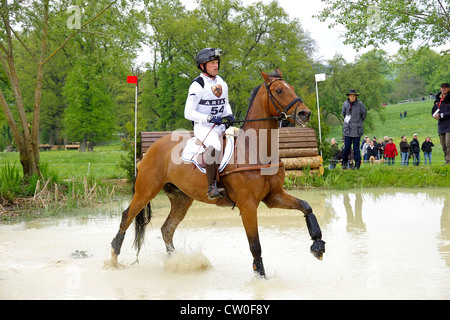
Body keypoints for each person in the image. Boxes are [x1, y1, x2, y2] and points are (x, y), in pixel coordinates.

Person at [184, 48, 235, 199]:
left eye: (217, 62)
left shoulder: (221, 82)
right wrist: (209, 118)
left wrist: (229, 114)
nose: (216, 66)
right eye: (212, 63)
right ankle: (212, 187)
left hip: (221, 126)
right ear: (202, 66)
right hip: (204, 128)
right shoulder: (197, 85)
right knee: (215, 146)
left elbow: (225, 103)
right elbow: (188, 113)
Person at [341, 89, 367, 169]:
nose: (352, 97)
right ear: (349, 96)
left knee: (356, 148)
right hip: (348, 129)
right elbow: (343, 113)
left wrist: (359, 122)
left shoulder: (360, 104)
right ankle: (344, 162)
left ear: (355, 97)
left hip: (357, 129)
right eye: (351, 96)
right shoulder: (345, 104)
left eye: (353, 96)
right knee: (347, 147)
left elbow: (364, 113)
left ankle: (357, 164)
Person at [431, 83, 450, 165]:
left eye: (446, 87)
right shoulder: (438, 99)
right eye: (442, 87)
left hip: (449, 124)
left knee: (448, 143)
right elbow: (433, 110)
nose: (444, 89)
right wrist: (434, 115)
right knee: (443, 144)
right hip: (441, 125)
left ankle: (449, 161)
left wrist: (442, 115)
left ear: (449, 88)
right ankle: (447, 160)